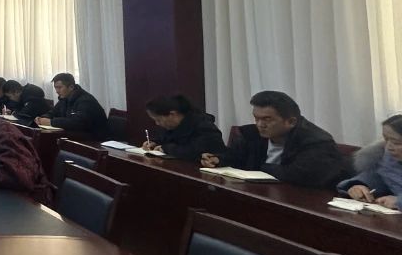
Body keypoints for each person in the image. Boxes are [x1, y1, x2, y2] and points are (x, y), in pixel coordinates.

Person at [201, 91, 351, 189]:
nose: (260, 125)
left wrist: (261, 167)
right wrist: (218, 159)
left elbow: (297, 176)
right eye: (256, 118)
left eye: (267, 119)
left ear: (291, 121)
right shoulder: (252, 135)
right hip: (260, 195)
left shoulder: (317, 142)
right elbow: (236, 157)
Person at [338, 115, 402, 208]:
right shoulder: (388, 160)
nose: (388, 147)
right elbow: (381, 178)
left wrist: (399, 202)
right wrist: (360, 186)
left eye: (396, 142)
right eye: (386, 140)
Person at [141, 95, 226, 161]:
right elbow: (164, 140)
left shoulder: (204, 127)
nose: (157, 123)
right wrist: (154, 143)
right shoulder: (171, 126)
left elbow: (195, 151)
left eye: (158, 120)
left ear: (172, 114)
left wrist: (166, 148)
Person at [36, 73, 108, 139]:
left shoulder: (85, 100)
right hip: (77, 135)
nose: (57, 91)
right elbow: (53, 112)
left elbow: (78, 123)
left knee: (50, 140)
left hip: (95, 138)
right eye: (55, 88)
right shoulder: (64, 98)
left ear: (71, 87)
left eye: (59, 87)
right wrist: (41, 118)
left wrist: (51, 122)